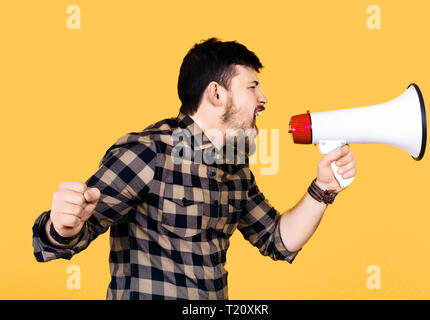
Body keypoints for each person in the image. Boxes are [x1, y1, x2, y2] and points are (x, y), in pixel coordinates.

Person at [32, 37, 357, 300]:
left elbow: (277, 238)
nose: (263, 98)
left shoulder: (236, 168)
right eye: (252, 87)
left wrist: (324, 188)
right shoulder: (149, 152)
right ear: (216, 94)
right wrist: (61, 225)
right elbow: (69, 236)